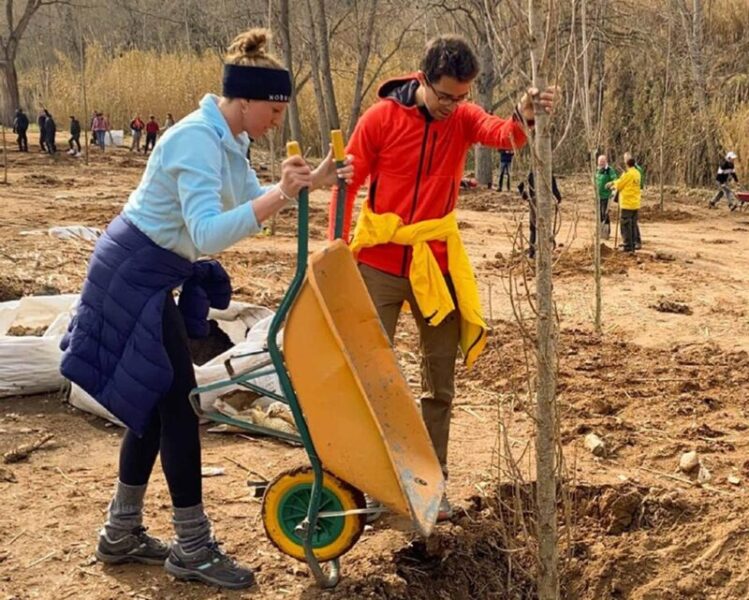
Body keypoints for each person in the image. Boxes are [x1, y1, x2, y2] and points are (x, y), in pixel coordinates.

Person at [59, 28, 353, 590]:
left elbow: (248, 196)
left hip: (156, 271)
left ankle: (120, 534)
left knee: (156, 401)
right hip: (132, 274)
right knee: (178, 405)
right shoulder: (194, 140)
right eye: (272, 109)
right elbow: (209, 232)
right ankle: (191, 546)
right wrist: (282, 196)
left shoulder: (229, 139)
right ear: (243, 100)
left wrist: (309, 182)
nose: (276, 121)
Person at [331, 34, 557, 520]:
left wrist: (525, 114)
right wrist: (335, 249)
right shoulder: (379, 120)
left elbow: (505, 135)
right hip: (379, 261)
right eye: (445, 96)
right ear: (423, 78)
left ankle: (431, 486)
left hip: (435, 263)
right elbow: (347, 184)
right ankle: (374, 482)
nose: (454, 106)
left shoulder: (464, 117)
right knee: (372, 376)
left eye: (463, 96)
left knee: (440, 383)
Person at [518, 169, 562, 259]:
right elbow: (554, 189)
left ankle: (533, 251)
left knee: (534, 226)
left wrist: (526, 197)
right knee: (542, 226)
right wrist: (558, 198)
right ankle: (540, 251)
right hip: (543, 202)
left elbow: (520, 186)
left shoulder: (532, 174)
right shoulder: (547, 173)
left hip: (534, 201)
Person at [608, 156, 641, 253]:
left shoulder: (628, 174)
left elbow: (620, 184)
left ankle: (627, 246)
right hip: (635, 203)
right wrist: (614, 182)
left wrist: (612, 185)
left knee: (626, 225)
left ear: (626, 164)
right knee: (633, 225)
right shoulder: (637, 173)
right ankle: (632, 244)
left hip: (627, 203)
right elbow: (622, 181)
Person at [623, 151, 644, 248]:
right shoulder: (630, 171)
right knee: (632, 222)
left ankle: (636, 241)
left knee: (631, 222)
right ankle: (632, 242)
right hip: (632, 198)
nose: (624, 161)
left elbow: (635, 182)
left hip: (631, 199)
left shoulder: (635, 170)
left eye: (625, 159)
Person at [595, 154, 617, 240]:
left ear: (606, 161)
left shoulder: (609, 170)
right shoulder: (597, 170)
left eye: (603, 161)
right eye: (600, 161)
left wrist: (611, 185)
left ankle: (606, 232)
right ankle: (599, 231)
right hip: (598, 196)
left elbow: (615, 179)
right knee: (599, 214)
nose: (601, 163)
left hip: (606, 196)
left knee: (605, 213)